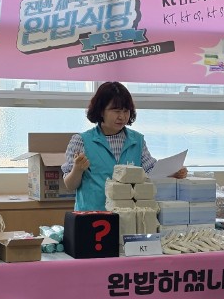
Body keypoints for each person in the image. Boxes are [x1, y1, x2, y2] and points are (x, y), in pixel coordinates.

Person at [63, 81, 186, 211]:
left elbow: (150, 172)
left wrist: (173, 172)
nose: (122, 116)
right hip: (93, 216)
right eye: (116, 111)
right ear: (101, 111)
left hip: (128, 216)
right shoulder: (81, 141)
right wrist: (77, 169)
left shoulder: (137, 140)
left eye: (126, 111)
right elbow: (69, 185)